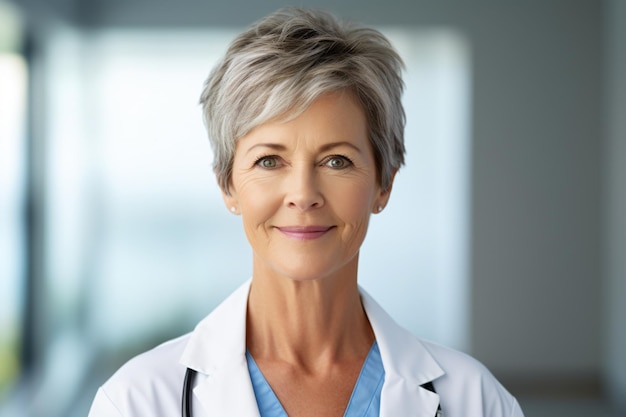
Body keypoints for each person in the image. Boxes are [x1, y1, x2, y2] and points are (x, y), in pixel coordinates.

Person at [88, 7, 524, 417]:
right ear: (227, 183)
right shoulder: (135, 402)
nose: (303, 194)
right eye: (269, 161)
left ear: (384, 183)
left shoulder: (474, 400)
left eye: (336, 161)